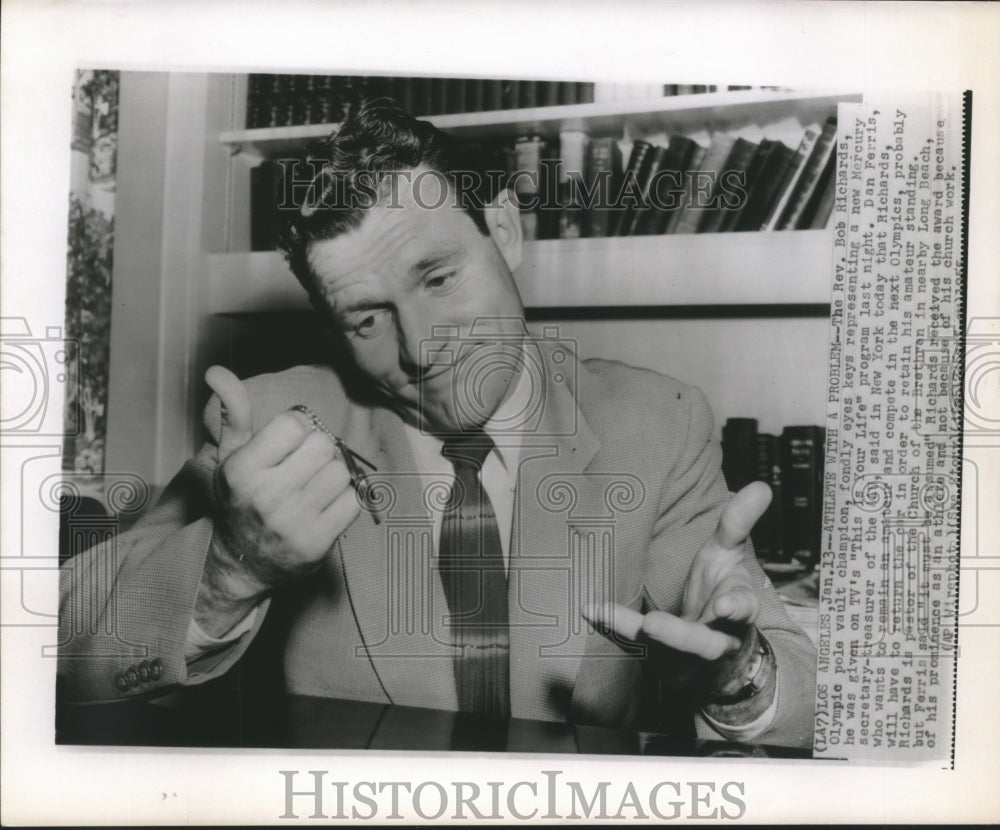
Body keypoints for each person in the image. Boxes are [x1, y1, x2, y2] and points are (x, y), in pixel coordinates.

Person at [58, 101, 816, 748]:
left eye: (439, 277)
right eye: (366, 318)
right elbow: (63, 646)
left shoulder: (655, 421)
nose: (422, 348)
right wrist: (234, 566)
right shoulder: (270, 429)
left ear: (506, 234)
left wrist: (741, 679)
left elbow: (793, 690)